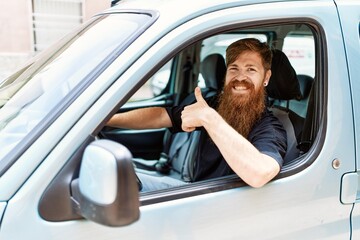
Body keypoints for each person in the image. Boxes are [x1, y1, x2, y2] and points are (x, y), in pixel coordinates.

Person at [107, 38, 287, 191]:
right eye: (234, 69)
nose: (240, 77)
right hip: (194, 190)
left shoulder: (269, 127)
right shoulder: (213, 105)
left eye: (251, 70)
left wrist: (210, 119)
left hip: (215, 206)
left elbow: (260, 173)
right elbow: (162, 116)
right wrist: (108, 121)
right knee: (116, 177)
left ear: (266, 78)